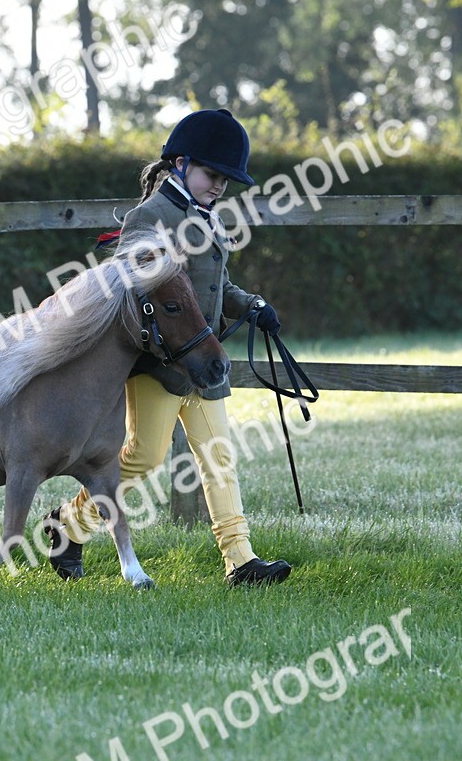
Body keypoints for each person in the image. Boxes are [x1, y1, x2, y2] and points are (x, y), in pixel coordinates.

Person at [43, 108, 292, 588]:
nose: (219, 186)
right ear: (180, 164)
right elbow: (133, 289)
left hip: (207, 363)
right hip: (161, 366)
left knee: (219, 456)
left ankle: (240, 561)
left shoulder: (208, 218)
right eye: (212, 175)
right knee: (144, 458)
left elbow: (218, 286)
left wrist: (252, 304)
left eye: (226, 180)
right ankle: (67, 526)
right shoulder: (150, 216)